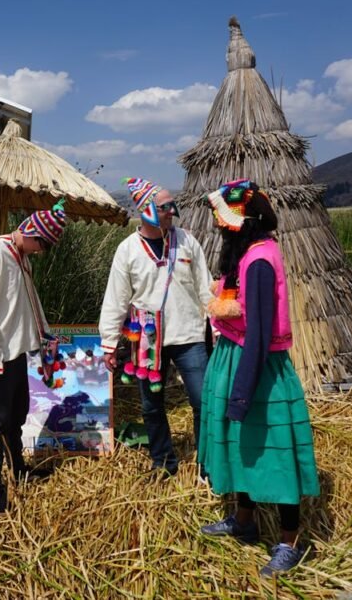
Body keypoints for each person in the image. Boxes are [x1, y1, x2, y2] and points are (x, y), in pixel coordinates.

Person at [196, 179, 320, 578]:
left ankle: (289, 541)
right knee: (240, 444)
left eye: (225, 222)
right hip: (236, 358)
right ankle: (244, 521)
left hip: (258, 368)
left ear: (244, 223)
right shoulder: (247, 254)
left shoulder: (261, 260)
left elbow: (261, 333)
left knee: (274, 450)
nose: (220, 228)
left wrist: (242, 392)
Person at [99, 177, 212, 478]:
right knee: (151, 405)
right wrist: (109, 344)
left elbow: (206, 287)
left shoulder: (187, 241)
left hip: (189, 335)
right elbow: (116, 298)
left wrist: (218, 323)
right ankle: (163, 462)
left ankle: (208, 464)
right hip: (148, 340)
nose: (172, 212)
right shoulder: (128, 250)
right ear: (147, 210)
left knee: (203, 400)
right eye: (165, 207)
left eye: (172, 206)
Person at [0, 201, 67, 514]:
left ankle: (18, 467)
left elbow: (29, 301)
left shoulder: (21, 259)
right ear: (31, 232)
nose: (40, 251)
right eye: (42, 244)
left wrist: (45, 336)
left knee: (17, 413)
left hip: (16, 351)